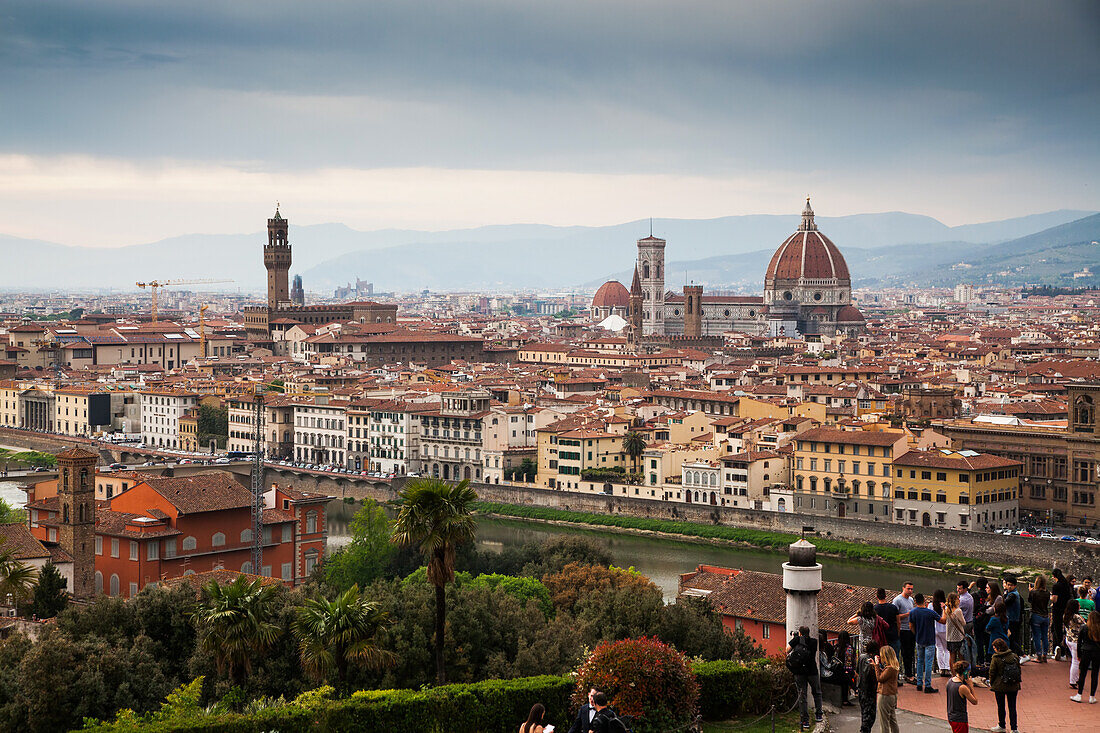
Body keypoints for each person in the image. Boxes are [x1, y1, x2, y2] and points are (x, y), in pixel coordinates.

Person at [786, 625, 823, 730]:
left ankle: (805, 720)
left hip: (799, 672)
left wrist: (795, 639)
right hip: (812, 671)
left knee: (802, 696)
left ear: (800, 633)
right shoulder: (814, 642)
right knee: (817, 693)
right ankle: (819, 714)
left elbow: (787, 650)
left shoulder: (797, 640)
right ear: (809, 633)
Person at [988, 638, 1020, 733]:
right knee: (1012, 707)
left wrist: (992, 682)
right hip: (1013, 685)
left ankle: (1002, 725)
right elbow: (1018, 669)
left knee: (1001, 706)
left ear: (997, 648)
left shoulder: (996, 658)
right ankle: (1014, 728)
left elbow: (992, 672)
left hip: (1000, 685)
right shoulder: (1014, 656)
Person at [909, 592, 940, 693]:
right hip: (930, 640)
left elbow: (911, 626)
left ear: (915, 602)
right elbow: (942, 621)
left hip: (919, 640)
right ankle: (927, 685)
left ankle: (919, 684)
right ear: (924, 601)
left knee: (920, 662)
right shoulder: (930, 612)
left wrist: (916, 634)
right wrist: (945, 609)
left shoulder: (913, 612)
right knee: (928, 663)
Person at [1071, 609, 1100, 704]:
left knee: (1082, 673)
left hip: (1086, 651)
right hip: (1097, 652)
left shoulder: (1084, 627)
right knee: (1095, 674)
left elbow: (1079, 642)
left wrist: (1079, 655)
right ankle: (1092, 696)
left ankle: (1079, 694)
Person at [875, 588, 903, 684]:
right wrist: (898, 633)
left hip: (882, 638)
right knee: (895, 658)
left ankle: (884, 678)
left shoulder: (875, 609)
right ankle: (895, 679)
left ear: (877, 597)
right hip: (894, 635)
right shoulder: (893, 607)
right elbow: (898, 622)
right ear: (886, 596)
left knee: (883, 659)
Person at [892, 581, 916, 682]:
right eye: (908, 589)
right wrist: (907, 614)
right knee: (902, 653)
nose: (910, 591)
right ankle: (900, 675)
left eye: (911, 589)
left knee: (910, 653)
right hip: (902, 630)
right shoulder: (897, 600)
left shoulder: (911, 599)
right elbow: (894, 616)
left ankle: (908, 673)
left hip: (910, 629)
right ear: (903, 588)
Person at [873, 644, 900, 733]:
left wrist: (876, 665)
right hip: (892, 695)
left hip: (885, 695)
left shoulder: (890, 669)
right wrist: (876, 666)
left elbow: (880, 678)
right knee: (892, 719)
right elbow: (885, 675)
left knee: (884, 722)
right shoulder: (894, 666)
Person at [946, 660, 979, 733]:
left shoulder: (950, 681)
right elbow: (975, 701)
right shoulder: (962, 687)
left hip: (951, 715)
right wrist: (971, 686)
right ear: (965, 672)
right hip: (960, 719)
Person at [856, 641, 879, 733]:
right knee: (870, 713)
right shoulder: (871, 660)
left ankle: (864, 728)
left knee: (864, 711)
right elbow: (871, 674)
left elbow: (857, 671)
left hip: (861, 688)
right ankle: (865, 730)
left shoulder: (861, 657)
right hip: (869, 690)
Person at [941, 592, 968, 671]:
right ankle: (961, 673)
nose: (959, 600)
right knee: (960, 657)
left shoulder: (947, 610)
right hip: (958, 637)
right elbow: (964, 623)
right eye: (957, 599)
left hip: (949, 637)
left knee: (952, 657)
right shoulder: (958, 611)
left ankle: (953, 674)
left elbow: (944, 620)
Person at [1028, 574, 1050, 663]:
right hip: (1045, 616)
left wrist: (1030, 591)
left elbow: (1030, 600)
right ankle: (1045, 654)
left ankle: (1039, 655)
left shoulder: (1033, 592)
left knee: (1036, 636)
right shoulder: (1047, 593)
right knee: (1045, 636)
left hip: (1036, 615)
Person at [1052, 568, 1073, 660]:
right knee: (1065, 630)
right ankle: (1064, 651)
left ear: (1054, 576)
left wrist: (1050, 597)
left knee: (1057, 630)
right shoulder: (1066, 584)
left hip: (1057, 610)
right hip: (1065, 609)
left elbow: (1055, 599)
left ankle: (1058, 648)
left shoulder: (1056, 586)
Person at [1002, 576, 1024, 657]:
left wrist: (1004, 595)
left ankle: (1021, 655)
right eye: (1008, 585)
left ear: (1015, 585)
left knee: (1011, 638)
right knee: (1013, 638)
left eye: (1011, 585)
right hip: (1013, 619)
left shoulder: (1013, 595)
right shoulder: (1013, 594)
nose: (1009, 587)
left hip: (1013, 620)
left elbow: (1004, 603)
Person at [1065, 600, 1084, 689]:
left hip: (1069, 639)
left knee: (1074, 660)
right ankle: (1073, 680)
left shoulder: (1066, 615)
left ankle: (1075, 679)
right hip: (1076, 641)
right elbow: (1085, 625)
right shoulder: (1076, 617)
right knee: (1076, 661)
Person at [835, 630, 856, 706]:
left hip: (837, 670)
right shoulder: (849, 648)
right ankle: (847, 698)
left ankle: (847, 697)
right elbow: (849, 663)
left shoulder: (836, 647)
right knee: (847, 678)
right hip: (846, 671)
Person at [933, 589, 950, 676]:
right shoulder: (946, 607)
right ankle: (947, 668)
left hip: (935, 629)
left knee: (939, 648)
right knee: (946, 650)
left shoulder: (930, 606)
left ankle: (941, 668)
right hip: (944, 629)